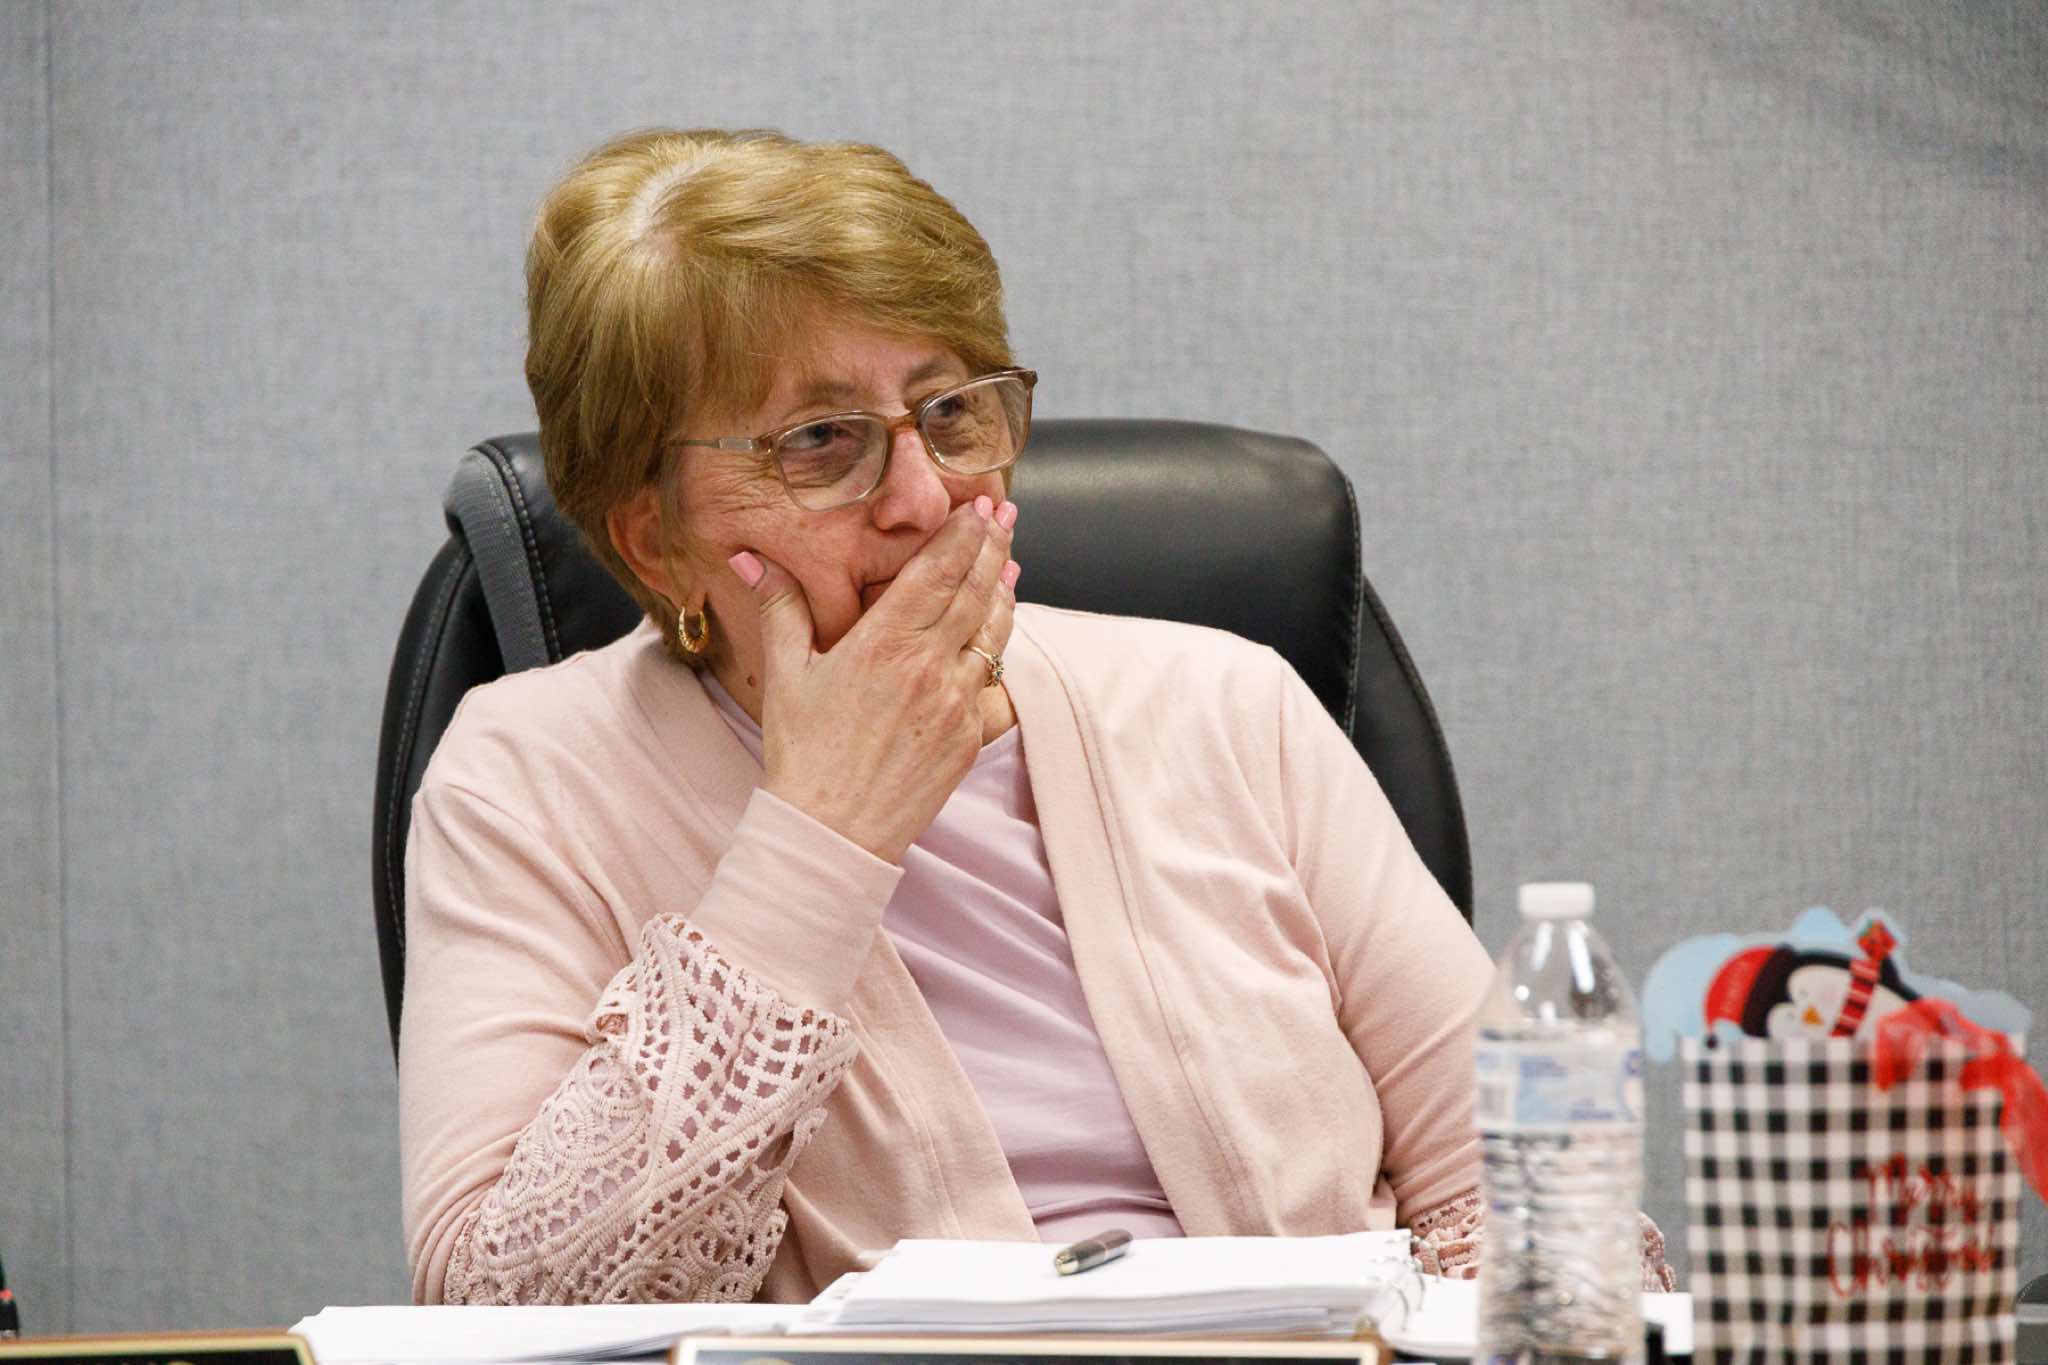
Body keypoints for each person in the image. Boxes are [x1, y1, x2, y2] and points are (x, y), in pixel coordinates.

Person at [399, 127, 1673, 1306]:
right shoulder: (525, 779)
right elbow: (502, 1314)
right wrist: (819, 832)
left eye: (950, 413)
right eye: (821, 441)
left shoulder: (1227, 704)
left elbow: (1536, 1209)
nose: (924, 497)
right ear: (654, 541)